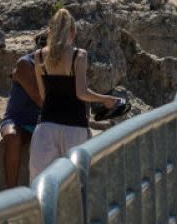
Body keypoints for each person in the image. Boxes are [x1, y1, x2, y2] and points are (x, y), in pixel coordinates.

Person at [29, 9, 125, 178]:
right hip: (74, 127)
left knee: (42, 185)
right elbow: (81, 93)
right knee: (75, 185)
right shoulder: (78, 56)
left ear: (50, 31)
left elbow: (43, 97)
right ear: (72, 32)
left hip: (46, 125)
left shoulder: (38, 57)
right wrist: (106, 100)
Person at [0, 52, 41, 188]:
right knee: (11, 137)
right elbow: (39, 98)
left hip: (41, 123)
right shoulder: (25, 64)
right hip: (16, 121)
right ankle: (11, 194)